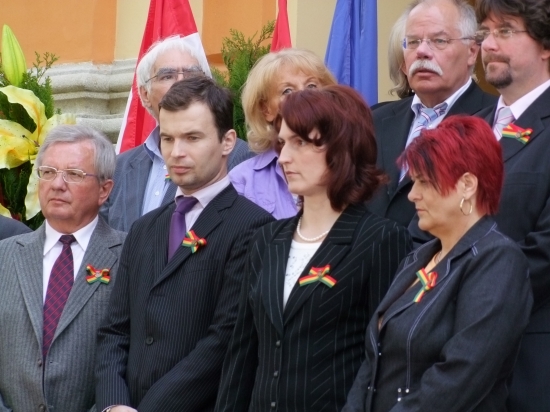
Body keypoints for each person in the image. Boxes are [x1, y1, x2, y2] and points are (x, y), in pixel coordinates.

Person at [215, 85, 411, 412]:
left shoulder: (381, 240)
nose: (284, 157)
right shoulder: (266, 240)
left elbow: (384, 358)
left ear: (343, 146)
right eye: (283, 143)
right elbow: (242, 354)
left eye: (301, 142)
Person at [95, 77, 274, 412]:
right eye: (167, 138)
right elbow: (114, 331)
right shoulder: (144, 229)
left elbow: (223, 341)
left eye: (192, 138)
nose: (176, 152)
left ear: (227, 142)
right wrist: (114, 403)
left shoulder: (253, 227)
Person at [343, 115, 533, 412]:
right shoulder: (417, 258)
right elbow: (371, 365)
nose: (412, 195)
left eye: (424, 182)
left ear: (467, 184)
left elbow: (462, 375)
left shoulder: (498, 261)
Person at [0, 125, 126, 412]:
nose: (57, 184)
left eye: (74, 174)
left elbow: (136, 358)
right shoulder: (5, 256)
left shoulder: (129, 255)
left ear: (104, 190)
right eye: (48, 172)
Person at [475, 0, 550, 409]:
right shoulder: (467, 128)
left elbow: (544, 251)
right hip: (456, 363)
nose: (488, 45)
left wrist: (466, 294)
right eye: (484, 33)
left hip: (529, 364)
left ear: (545, 45)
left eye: (505, 31)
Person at [101, 35, 251, 232]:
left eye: (192, 73)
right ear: (145, 95)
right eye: (167, 76)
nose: (181, 82)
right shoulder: (118, 168)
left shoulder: (241, 158)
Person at [368, 0, 497, 229]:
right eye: (413, 42)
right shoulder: (375, 119)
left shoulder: (494, 121)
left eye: (439, 41)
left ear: (472, 52)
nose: (422, 52)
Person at [228, 48, 336, 219]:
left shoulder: (347, 164)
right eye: (287, 91)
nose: (303, 96)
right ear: (265, 109)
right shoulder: (242, 180)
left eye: (311, 86)